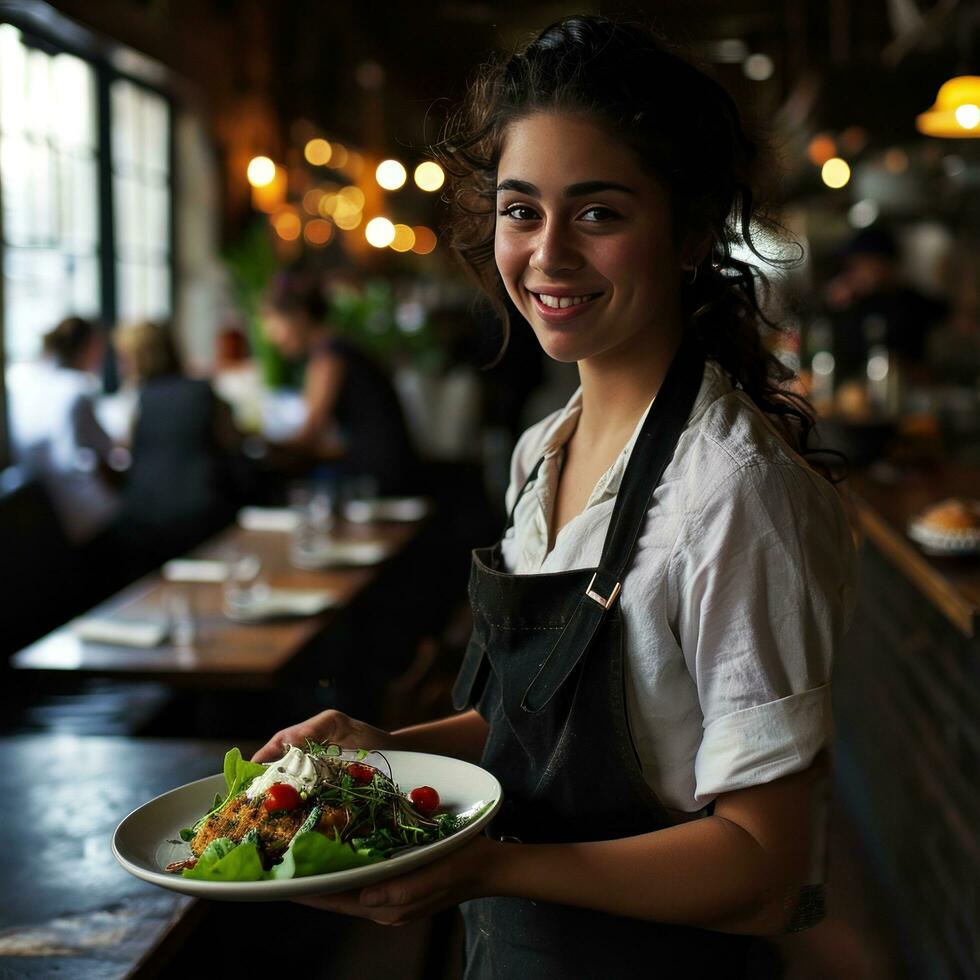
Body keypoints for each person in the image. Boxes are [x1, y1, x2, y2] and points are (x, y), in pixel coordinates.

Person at [252, 16, 857, 978]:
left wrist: (492, 868)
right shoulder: (542, 452)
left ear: (693, 230)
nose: (548, 255)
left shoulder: (737, 497)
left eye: (600, 213)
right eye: (522, 210)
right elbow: (528, 727)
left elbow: (765, 868)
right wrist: (378, 754)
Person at [260, 272, 420, 495]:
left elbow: (310, 435)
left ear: (299, 317)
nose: (271, 336)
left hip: (378, 476)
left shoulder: (329, 358)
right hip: (386, 468)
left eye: (273, 322)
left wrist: (260, 447)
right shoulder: (337, 348)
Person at [110, 320, 246, 569]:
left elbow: (125, 452)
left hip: (146, 521)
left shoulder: (139, 400)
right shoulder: (204, 391)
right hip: (203, 516)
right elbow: (233, 443)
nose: (120, 366)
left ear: (142, 358)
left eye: (125, 358)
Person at [6, 316, 120, 543]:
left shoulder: (26, 384)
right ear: (87, 347)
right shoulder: (77, 389)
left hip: (34, 504)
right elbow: (107, 450)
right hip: (79, 509)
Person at [822, 224, 948, 385]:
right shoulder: (850, 304)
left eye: (864, 264)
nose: (856, 272)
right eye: (854, 266)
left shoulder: (915, 303)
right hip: (860, 391)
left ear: (886, 264)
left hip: (907, 391)